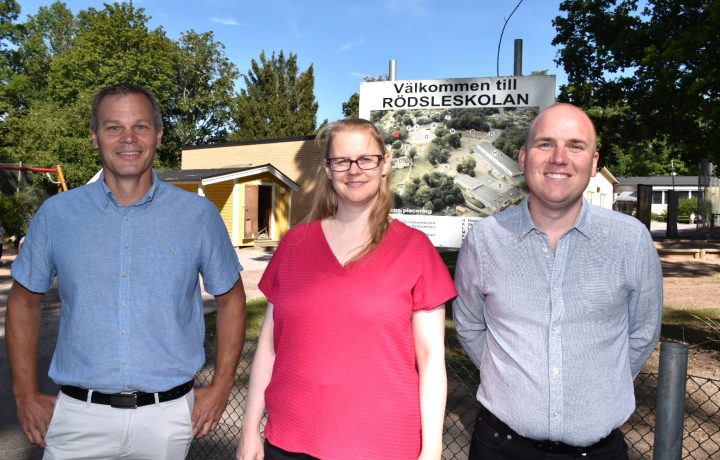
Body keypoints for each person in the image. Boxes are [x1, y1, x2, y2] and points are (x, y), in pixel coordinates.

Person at [6, 83, 247, 459]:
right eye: (113, 127)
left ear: (159, 135)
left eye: (141, 126)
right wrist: (25, 394)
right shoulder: (57, 216)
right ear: (94, 137)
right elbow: (23, 302)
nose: (128, 138)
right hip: (77, 420)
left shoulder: (198, 217)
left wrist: (221, 386)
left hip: (166, 420)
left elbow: (232, 299)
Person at [237, 118, 457, 460]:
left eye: (366, 158)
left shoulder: (414, 249)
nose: (354, 170)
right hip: (289, 440)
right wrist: (250, 430)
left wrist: (431, 451)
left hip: (383, 446)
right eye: (341, 160)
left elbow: (431, 362)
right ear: (327, 169)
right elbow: (268, 346)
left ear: (384, 164)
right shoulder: (295, 244)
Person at [453, 103, 663, 460]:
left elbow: (643, 333)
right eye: (545, 144)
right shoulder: (485, 239)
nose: (559, 159)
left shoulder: (630, 240)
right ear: (522, 158)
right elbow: (470, 325)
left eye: (575, 146)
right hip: (499, 448)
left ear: (594, 163)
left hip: (598, 452)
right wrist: (511, 380)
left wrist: (597, 387)